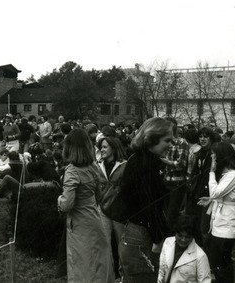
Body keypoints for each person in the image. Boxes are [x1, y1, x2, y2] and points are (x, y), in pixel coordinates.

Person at [118, 117, 173, 282]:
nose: (170, 145)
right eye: (167, 140)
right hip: (142, 237)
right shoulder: (147, 164)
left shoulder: (138, 159)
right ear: (152, 139)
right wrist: (158, 237)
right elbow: (150, 205)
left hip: (133, 233)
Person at [57, 128, 114, 283]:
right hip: (94, 219)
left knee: (81, 264)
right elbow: (99, 196)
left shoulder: (72, 171)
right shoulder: (93, 167)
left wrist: (59, 201)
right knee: (97, 262)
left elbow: (67, 204)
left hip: (79, 223)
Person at [197, 142, 235, 283]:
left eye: (215, 156)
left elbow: (215, 192)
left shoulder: (233, 175)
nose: (213, 158)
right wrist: (211, 200)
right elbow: (217, 195)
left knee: (221, 260)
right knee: (218, 258)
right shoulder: (227, 174)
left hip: (227, 223)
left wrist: (211, 172)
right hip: (220, 221)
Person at [97, 136, 128, 281]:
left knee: (122, 243)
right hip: (102, 210)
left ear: (114, 149)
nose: (101, 150)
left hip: (119, 211)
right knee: (104, 242)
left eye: (105, 147)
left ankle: (123, 276)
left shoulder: (125, 165)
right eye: (101, 147)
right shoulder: (97, 165)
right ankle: (108, 275)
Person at [158, 214, 211, 283]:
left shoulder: (200, 256)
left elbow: (205, 281)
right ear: (175, 233)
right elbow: (162, 270)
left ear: (192, 236)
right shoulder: (167, 243)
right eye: (180, 236)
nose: (183, 240)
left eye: (187, 237)